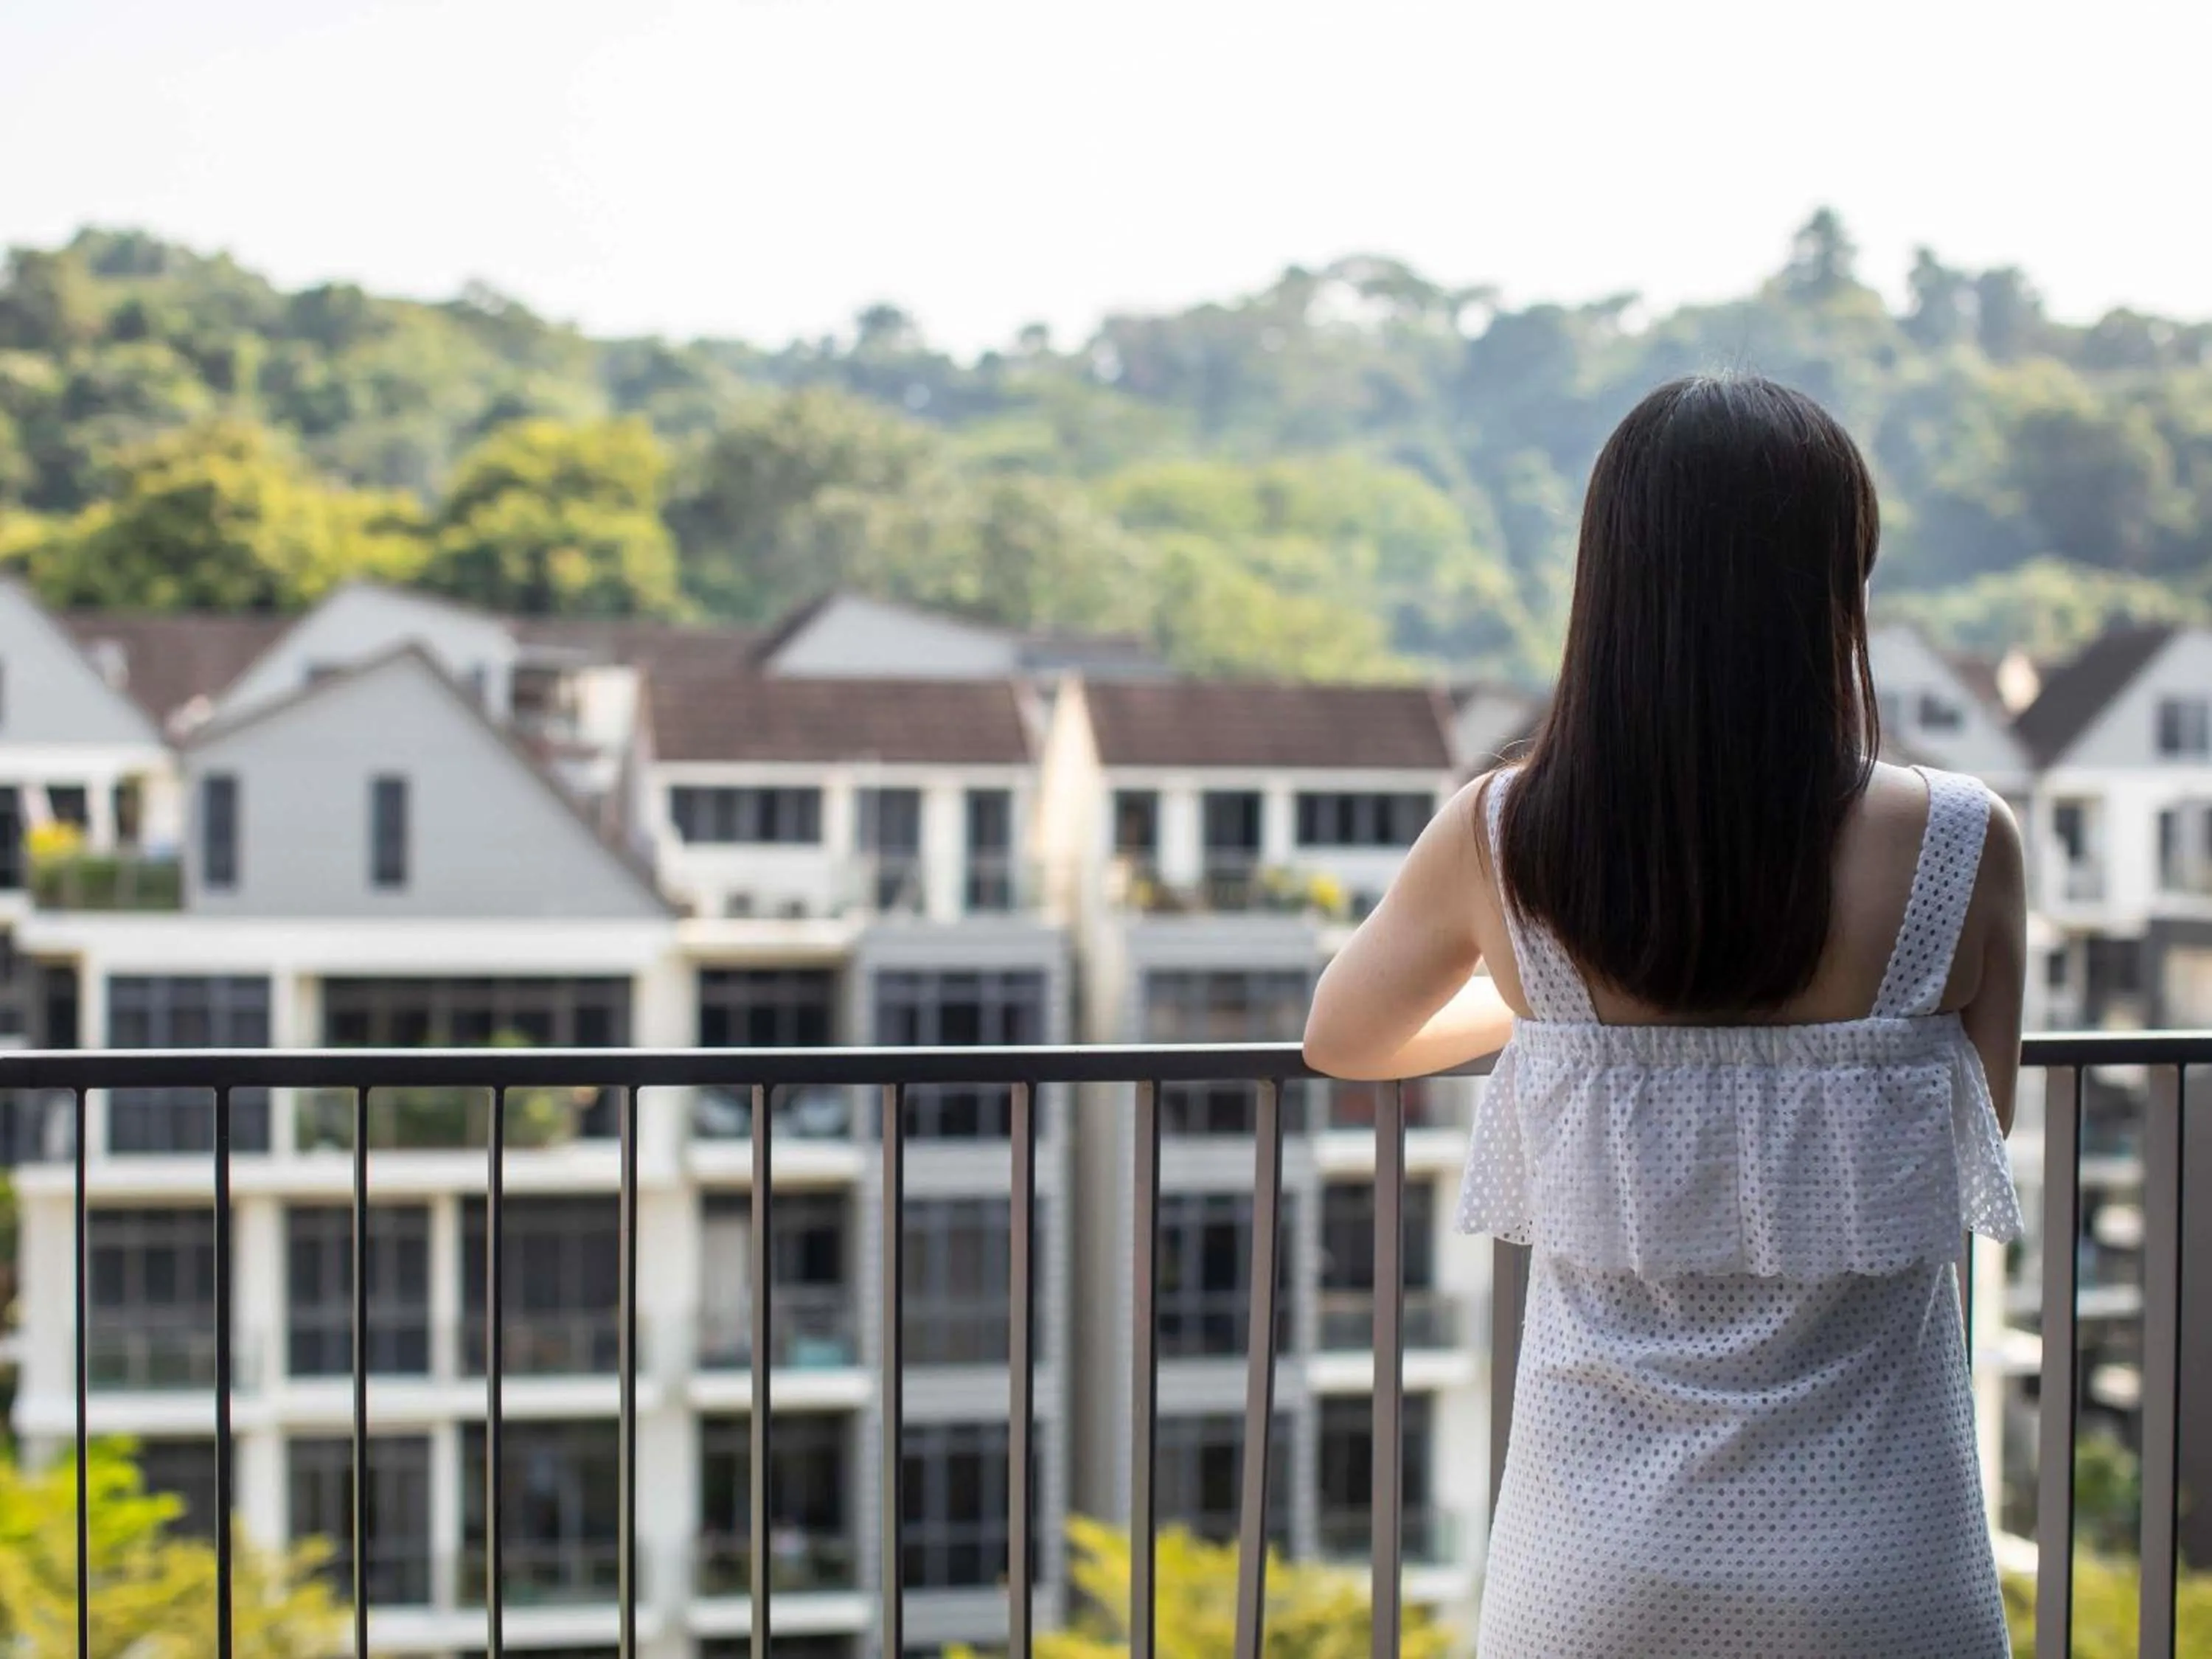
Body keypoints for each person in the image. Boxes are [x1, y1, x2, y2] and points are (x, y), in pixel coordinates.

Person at [1303, 373, 2024, 1658]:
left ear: (1613, 583)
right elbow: (1975, 1127)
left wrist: (1544, 1019)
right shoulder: (1963, 840)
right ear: (1834, 583)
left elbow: (1345, 1039)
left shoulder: (1504, 834)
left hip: (1595, 1569)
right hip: (1884, 1562)